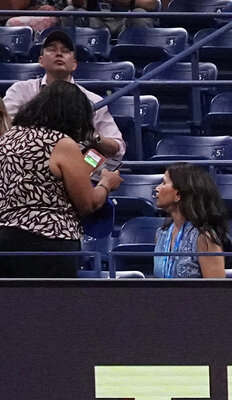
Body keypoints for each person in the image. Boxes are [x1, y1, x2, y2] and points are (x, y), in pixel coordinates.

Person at [0, 80, 115, 278]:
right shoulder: (61, 143)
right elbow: (88, 203)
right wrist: (106, 184)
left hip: (5, 241)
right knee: (51, 308)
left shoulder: (7, 138)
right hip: (50, 244)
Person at [3, 28, 123, 158]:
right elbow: (3, 126)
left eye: (65, 51)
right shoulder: (20, 90)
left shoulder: (92, 99)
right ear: (41, 60)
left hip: (75, 161)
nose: (59, 54)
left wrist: (92, 136)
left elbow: (117, 147)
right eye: (52, 49)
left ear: (74, 64)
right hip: (26, 157)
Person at [150, 162, 228, 279]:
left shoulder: (204, 238)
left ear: (178, 194)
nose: (157, 188)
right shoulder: (161, 234)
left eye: (164, 183)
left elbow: (217, 292)